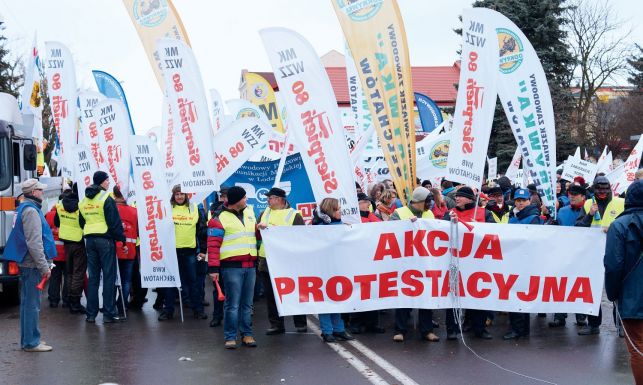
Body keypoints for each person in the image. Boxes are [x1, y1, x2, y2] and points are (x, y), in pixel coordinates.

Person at [5, 179, 56, 352]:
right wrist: (44, 266)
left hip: (27, 262)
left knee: (28, 303)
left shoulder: (23, 208)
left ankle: (30, 339)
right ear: (34, 192)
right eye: (40, 190)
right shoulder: (31, 212)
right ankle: (31, 342)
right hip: (32, 264)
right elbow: (34, 243)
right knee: (32, 304)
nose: (42, 192)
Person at [208, 186, 259, 349]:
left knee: (247, 304)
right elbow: (213, 246)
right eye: (244, 197)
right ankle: (230, 337)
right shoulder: (218, 218)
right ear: (236, 200)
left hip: (250, 266)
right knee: (233, 304)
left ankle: (247, 334)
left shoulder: (250, 213)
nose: (247, 200)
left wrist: (259, 230)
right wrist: (213, 269)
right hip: (231, 268)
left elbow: (254, 236)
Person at [604, 180, 643, 384]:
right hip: (633, 295)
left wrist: (612, 294)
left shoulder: (619, 226)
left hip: (632, 297)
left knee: (638, 349)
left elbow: (613, 266)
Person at [576, 175, 625, 335]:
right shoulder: (588, 204)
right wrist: (589, 214)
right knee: (592, 290)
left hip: (616, 253)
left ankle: (620, 326)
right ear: (594, 189)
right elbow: (578, 229)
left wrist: (614, 227)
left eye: (605, 188)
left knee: (618, 290)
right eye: (599, 188)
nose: (602, 191)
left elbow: (628, 224)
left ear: (610, 188)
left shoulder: (621, 203)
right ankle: (593, 325)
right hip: (593, 255)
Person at [444, 186, 494, 340]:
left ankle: (479, 329)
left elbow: (495, 233)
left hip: (478, 262)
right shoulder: (450, 214)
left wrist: (480, 228)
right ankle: (452, 329)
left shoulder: (484, 213)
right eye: (456, 196)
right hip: (455, 261)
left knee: (479, 294)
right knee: (453, 295)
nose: (456, 199)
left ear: (470, 199)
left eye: (460, 196)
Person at [257, 187, 308, 335]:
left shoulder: (294, 215)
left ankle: (300, 323)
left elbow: (300, 237)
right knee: (271, 295)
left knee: (294, 292)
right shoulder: (264, 213)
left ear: (280, 199)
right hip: (267, 259)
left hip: (288, 260)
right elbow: (258, 234)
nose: (268, 200)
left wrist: (271, 229)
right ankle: (276, 324)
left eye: (270, 197)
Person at [390, 187, 439, 342]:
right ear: (419, 201)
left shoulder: (429, 214)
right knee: (404, 296)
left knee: (426, 296)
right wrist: (404, 225)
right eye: (428, 201)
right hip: (406, 262)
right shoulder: (399, 213)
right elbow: (388, 232)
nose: (430, 204)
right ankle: (400, 330)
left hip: (425, 261)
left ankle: (427, 330)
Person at [79, 171, 126, 324]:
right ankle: (108, 313)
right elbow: (114, 221)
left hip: (89, 240)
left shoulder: (84, 200)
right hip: (105, 240)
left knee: (93, 278)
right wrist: (121, 239)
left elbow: (81, 222)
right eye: (106, 181)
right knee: (108, 276)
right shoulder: (106, 197)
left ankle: (91, 315)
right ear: (101, 182)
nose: (108, 183)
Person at [159, 185, 208, 321]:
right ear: (173, 196)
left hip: (189, 252)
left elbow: (202, 231)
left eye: (182, 194)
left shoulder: (194, 208)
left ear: (187, 195)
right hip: (172, 252)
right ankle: (167, 311)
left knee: (193, 282)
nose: (179, 196)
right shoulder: (167, 208)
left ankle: (198, 310)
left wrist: (203, 250)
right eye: (177, 194)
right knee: (171, 283)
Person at [311, 197, 355, 343]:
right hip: (323, 268)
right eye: (338, 209)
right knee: (325, 300)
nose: (341, 211)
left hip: (338, 267)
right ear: (330, 210)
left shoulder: (341, 225)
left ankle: (338, 329)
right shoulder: (317, 227)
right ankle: (327, 331)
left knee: (337, 298)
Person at [503, 188, 543, 340]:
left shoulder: (533, 218)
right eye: (517, 201)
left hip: (525, 262)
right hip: (514, 260)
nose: (520, 203)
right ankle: (520, 328)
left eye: (523, 201)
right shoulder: (514, 216)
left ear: (529, 201)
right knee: (516, 294)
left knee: (518, 295)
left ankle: (518, 329)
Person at [548, 184, 589, 327]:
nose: (571, 196)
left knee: (580, 285)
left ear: (583, 197)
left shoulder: (590, 211)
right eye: (570, 194)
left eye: (575, 194)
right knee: (560, 284)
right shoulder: (562, 211)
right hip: (563, 253)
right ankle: (559, 316)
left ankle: (581, 316)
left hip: (583, 254)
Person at [348, 193, 385, 335]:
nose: (366, 204)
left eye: (367, 202)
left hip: (373, 259)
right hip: (357, 260)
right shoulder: (353, 219)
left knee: (373, 291)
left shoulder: (373, 216)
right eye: (363, 202)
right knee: (358, 291)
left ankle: (372, 323)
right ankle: (355, 322)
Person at [54, 183, 87, 315]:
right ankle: (75, 303)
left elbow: (57, 222)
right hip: (79, 242)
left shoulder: (61, 204)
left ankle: (68, 300)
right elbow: (84, 224)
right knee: (78, 273)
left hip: (66, 242)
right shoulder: (81, 206)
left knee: (69, 273)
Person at [112, 186, 138, 319]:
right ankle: (122, 306)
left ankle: (110, 307)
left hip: (112, 249)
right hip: (130, 249)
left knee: (111, 279)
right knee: (126, 280)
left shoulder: (110, 209)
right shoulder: (134, 212)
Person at [208, 186, 229, 327]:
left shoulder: (243, 211)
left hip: (234, 258)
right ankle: (217, 315)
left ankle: (232, 316)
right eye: (223, 196)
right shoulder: (215, 212)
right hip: (219, 256)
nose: (225, 199)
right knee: (218, 289)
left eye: (227, 196)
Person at [44, 203, 68, 308]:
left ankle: (54, 300)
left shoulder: (48, 215)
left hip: (53, 253)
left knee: (54, 276)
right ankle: (66, 301)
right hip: (67, 252)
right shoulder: (69, 213)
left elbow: (44, 233)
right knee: (68, 276)